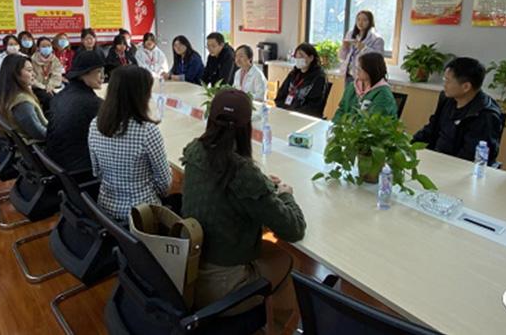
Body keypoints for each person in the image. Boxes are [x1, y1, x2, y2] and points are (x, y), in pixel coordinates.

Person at [181, 89, 306, 331]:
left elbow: (224, 188)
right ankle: (275, 328)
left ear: (210, 120)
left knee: (271, 252)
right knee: (290, 261)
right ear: (247, 128)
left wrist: (261, 185)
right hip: (225, 288)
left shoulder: (195, 151)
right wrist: (286, 195)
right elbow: (293, 229)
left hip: (189, 274)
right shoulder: (241, 172)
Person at [88, 66, 172, 220]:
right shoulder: (147, 131)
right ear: (140, 95)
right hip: (142, 215)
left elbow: (96, 171)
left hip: (105, 209)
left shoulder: (95, 124)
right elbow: (165, 184)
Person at [413, 57, 502, 162]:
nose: (444, 85)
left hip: (455, 165)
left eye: (447, 81)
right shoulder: (447, 99)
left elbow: (469, 157)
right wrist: (409, 145)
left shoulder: (484, 115)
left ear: (466, 87)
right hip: (435, 157)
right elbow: (431, 129)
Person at [46, 51, 105, 173]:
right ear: (83, 74)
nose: (103, 77)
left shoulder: (61, 95)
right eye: (98, 71)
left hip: (53, 163)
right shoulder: (92, 103)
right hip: (77, 169)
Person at [0, 54, 47, 143]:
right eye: (29, 70)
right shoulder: (22, 103)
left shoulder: (3, 94)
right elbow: (39, 133)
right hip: (36, 146)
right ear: (16, 73)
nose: (34, 74)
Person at [333, 52, 398, 124]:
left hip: (366, 130)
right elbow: (341, 110)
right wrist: (334, 125)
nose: (358, 70)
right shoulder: (352, 86)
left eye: (361, 67)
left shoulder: (383, 93)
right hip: (347, 129)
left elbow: (374, 123)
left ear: (371, 70)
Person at [275, 43, 328, 117]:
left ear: (311, 58)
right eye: (296, 56)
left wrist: (293, 112)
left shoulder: (319, 77)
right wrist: (284, 109)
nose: (298, 59)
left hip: (304, 116)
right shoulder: (293, 74)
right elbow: (280, 96)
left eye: (301, 56)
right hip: (287, 112)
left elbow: (314, 107)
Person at [338, 10, 385, 84]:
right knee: (349, 91)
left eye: (364, 20)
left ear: (370, 21)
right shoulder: (350, 35)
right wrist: (344, 47)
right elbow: (341, 57)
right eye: (358, 19)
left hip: (365, 77)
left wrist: (363, 48)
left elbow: (379, 58)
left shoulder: (376, 38)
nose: (360, 22)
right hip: (349, 75)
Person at [31, 36, 62, 112]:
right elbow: (31, 78)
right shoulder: (32, 60)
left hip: (52, 87)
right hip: (38, 87)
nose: (47, 48)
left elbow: (57, 75)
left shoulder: (55, 60)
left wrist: (49, 87)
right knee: (48, 98)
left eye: (48, 45)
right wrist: (44, 88)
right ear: (38, 48)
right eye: (43, 46)